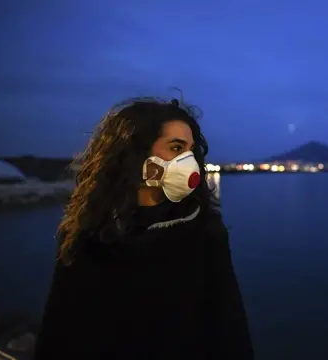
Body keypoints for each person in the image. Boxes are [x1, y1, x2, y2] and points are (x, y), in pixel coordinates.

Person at [34, 97, 254, 359]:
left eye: (190, 151)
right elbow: (59, 327)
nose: (188, 161)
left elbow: (230, 326)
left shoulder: (204, 231)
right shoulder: (89, 232)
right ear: (135, 152)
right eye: (175, 147)